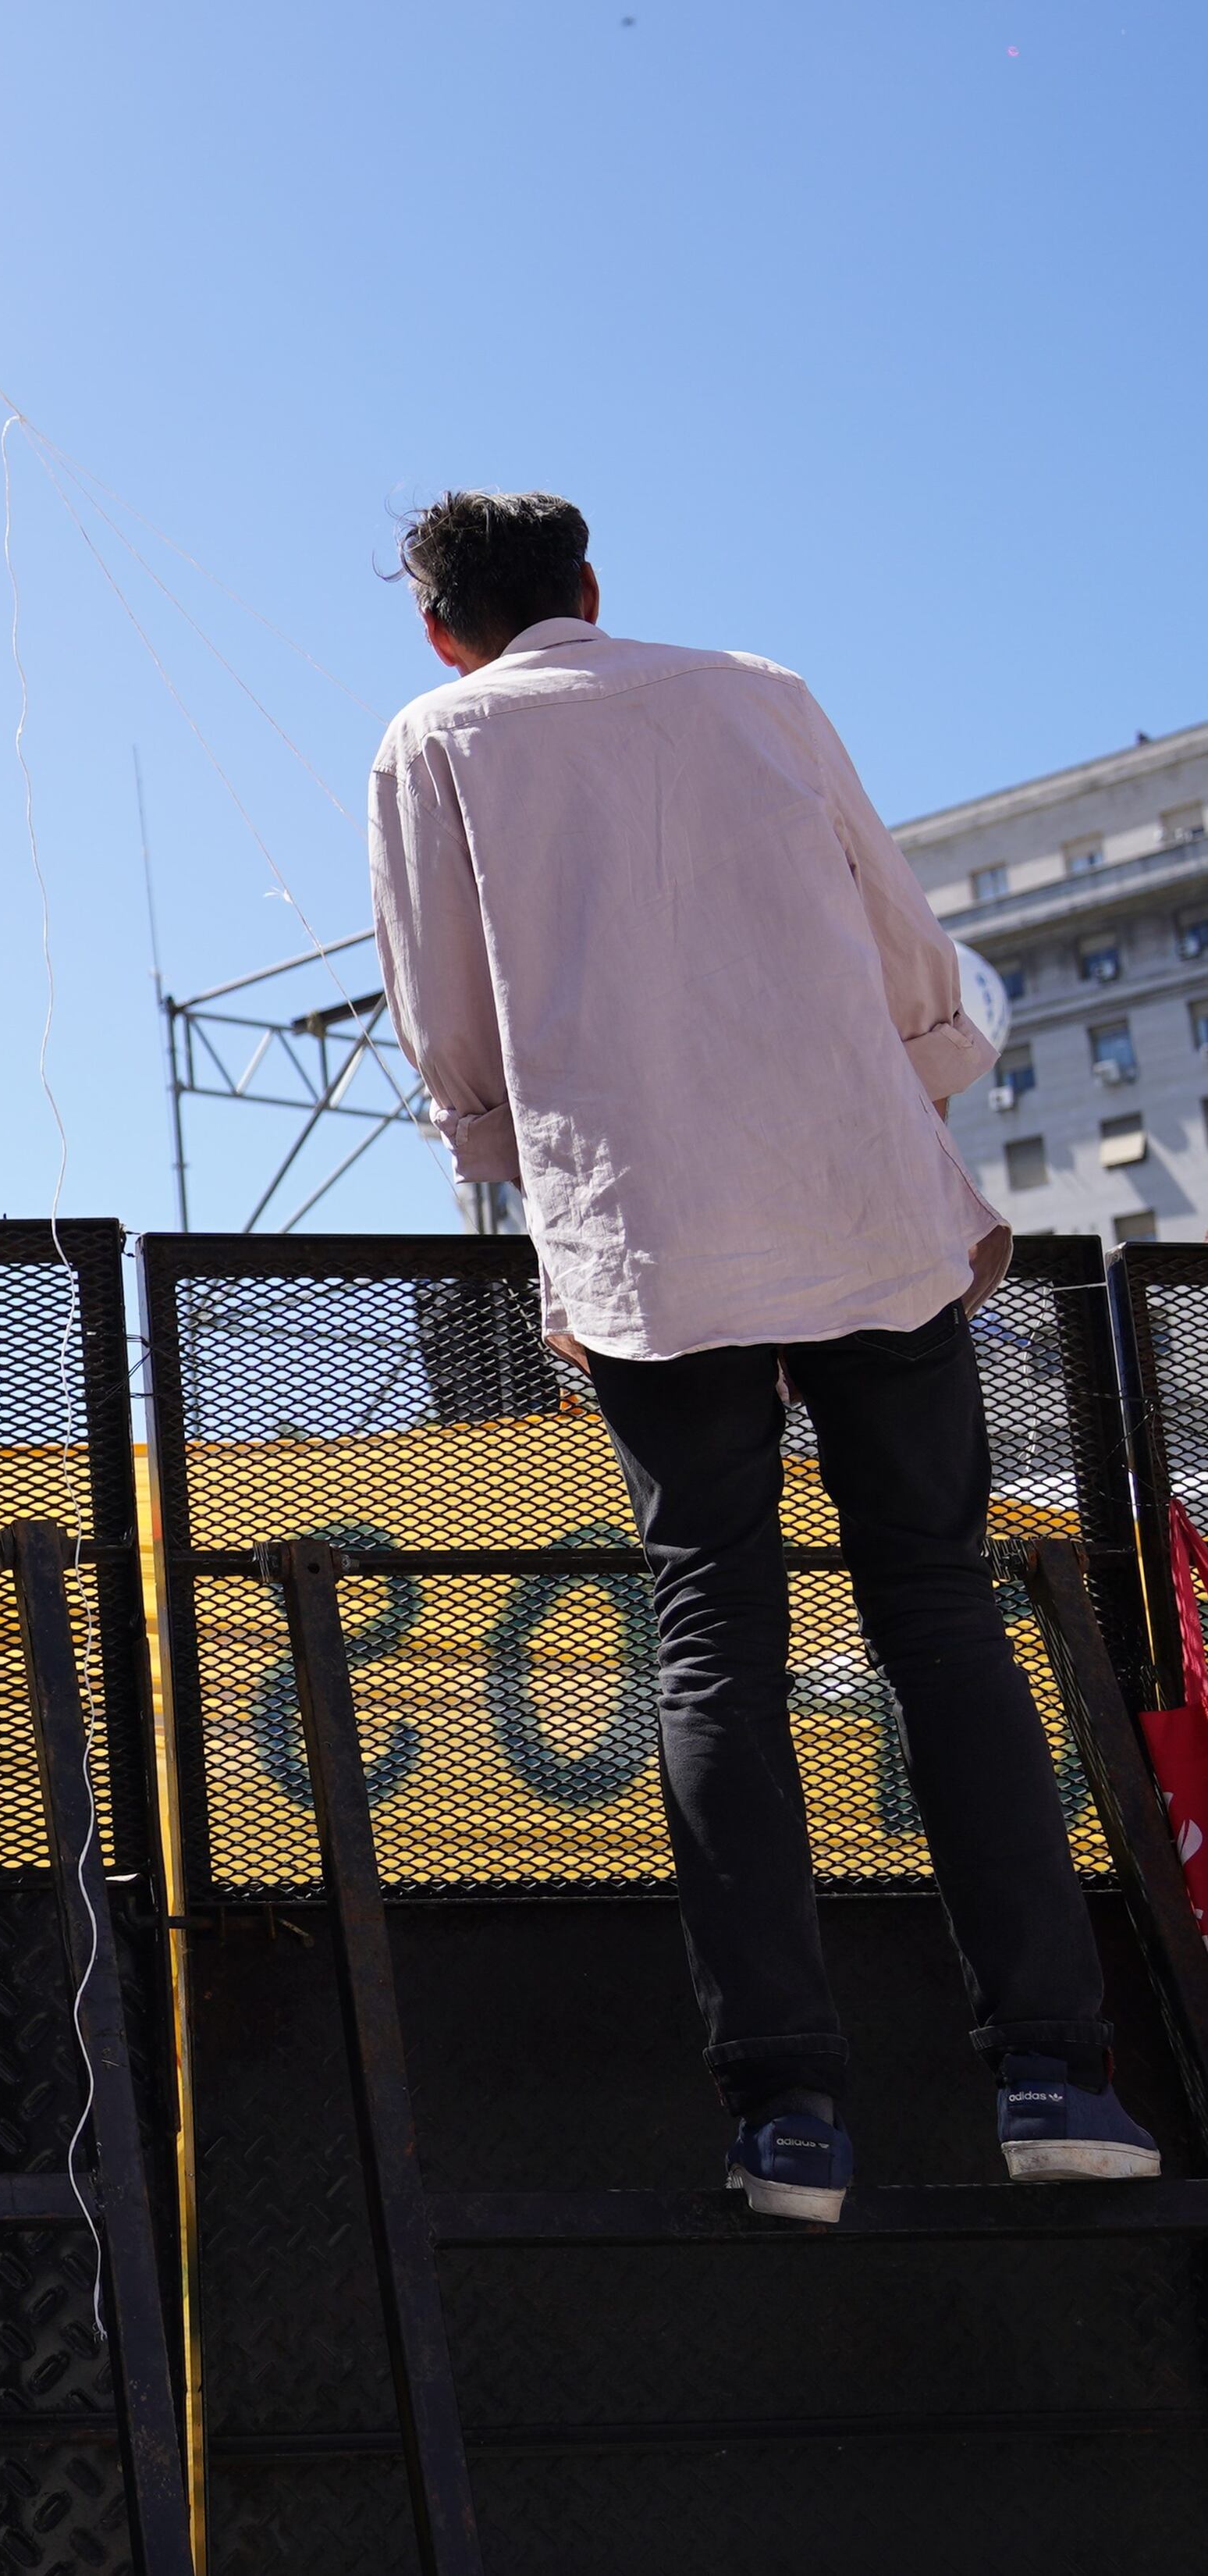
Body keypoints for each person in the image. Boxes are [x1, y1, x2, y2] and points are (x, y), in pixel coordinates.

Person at [367, 489, 1162, 2223]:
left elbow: (449, 1027)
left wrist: (531, 1194)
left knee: (713, 1633)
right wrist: (927, 1068)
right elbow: (899, 948)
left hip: (646, 1224)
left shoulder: (431, 738)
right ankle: (1053, 2072)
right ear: (592, 586)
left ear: (442, 628)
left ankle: (786, 2111)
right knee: (940, 1615)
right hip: (855, 1191)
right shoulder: (759, 687)